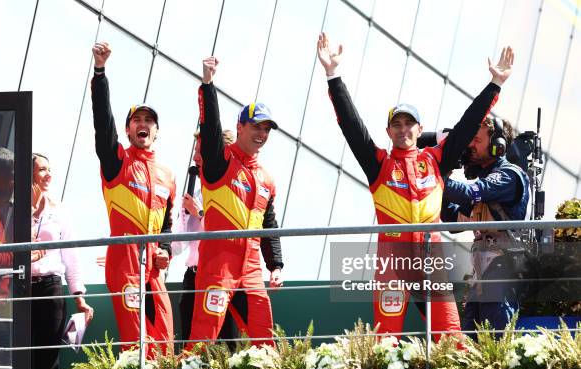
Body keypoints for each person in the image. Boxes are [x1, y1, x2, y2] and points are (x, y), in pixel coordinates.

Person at [316, 32, 514, 341]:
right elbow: (352, 127)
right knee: (386, 342)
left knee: (451, 340)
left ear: (420, 129)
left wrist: (495, 84)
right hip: (392, 261)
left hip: (431, 259)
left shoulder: (436, 160)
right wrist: (333, 75)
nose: (403, 129)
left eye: (410, 124)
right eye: (397, 124)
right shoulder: (378, 163)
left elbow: (465, 126)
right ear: (389, 131)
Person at [186, 56, 284, 349]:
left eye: (266, 129)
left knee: (264, 333)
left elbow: (269, 223)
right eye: (256, 127)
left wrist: (276, 264)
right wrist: (208, 85)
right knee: (204, 334)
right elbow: (210, 127)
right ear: (239, 127)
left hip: (252, 263)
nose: (261, 134)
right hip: (219, 261)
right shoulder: (220, 161)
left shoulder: (266, 178)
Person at [91, 41, 175, 356]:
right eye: (136, 120)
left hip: (153, 263)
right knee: (136, 337)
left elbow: (168, 224)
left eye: (149, 121)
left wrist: (165, 248)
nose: (143, 124)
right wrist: (100, 73)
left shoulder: (167, 174)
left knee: (164, 333)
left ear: (156, 131)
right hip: (124, 257)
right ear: (127, 130)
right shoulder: (117, 161)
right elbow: (102, 125)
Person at [441, 118, 529, 335]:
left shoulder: (509, 175)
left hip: (502, 268)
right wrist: (445, 173)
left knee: (496, 339)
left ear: (497, 144)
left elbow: (470, 192)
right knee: (471, 340)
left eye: (476, 139)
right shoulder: (484, 179)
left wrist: (435, 175)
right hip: (482, 272)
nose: (470, 145)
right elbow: (451, 220)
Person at [173, 130, 249, 350]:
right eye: (195, 152)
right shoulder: (194, 193)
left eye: (200, 152)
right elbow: (178, 246)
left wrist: (199, 213)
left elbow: (230, 233)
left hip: (224, 277)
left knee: (227, 347)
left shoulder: (237, 189)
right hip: (194, 277)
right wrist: (184, 217)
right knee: (191, 347)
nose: (195, 158)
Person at [30, 153, 94, 369]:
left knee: (48, 361)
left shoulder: (60, 210)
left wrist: (79, 296)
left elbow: (72, 256)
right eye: (42, 170)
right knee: (20, 358)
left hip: (50, 288)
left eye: (49, 169)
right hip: (17, 288)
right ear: (29, 174)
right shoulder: (11, 207)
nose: (49, 174)